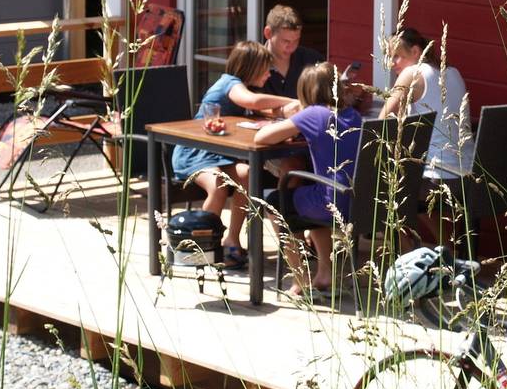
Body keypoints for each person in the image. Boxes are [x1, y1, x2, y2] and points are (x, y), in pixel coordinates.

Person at [171, 42, 298, 269]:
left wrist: (283, 112)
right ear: (251, 68)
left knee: (247, 173)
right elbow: (253, 102)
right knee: (219, 183)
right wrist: (292, 101)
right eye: (265, 69)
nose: (269, 74)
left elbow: (261, 108)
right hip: (194, 151)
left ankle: (233, 239)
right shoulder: (230, 83)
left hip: (216, 154)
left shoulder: (241, 87)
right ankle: (204, 244)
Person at [255, 62, 362, 296]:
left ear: (307, 91)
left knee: (275, 203)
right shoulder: (352, 115)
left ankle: (300, 280)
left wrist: (295, 119)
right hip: (356, 204)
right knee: (309, 191)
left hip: (330, 203)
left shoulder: (314, 114)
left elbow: (262, 137)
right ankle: (325, 272)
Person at [382, 27, 476, 246]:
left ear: (416, 52)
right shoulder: (452, 72)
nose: (391, 63)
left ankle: (406, 263)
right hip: (467, 176)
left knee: (382, 188)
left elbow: (383, 120)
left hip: (436, 179)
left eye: (397, 56)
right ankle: (448, 249)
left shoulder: (412, 73)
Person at [258, 5, 324, 98]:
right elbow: (249, 101)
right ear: (268, 33)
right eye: (286, 41)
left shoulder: (313, 60)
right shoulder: (253, 64)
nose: (292, 47)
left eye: (296, 40)